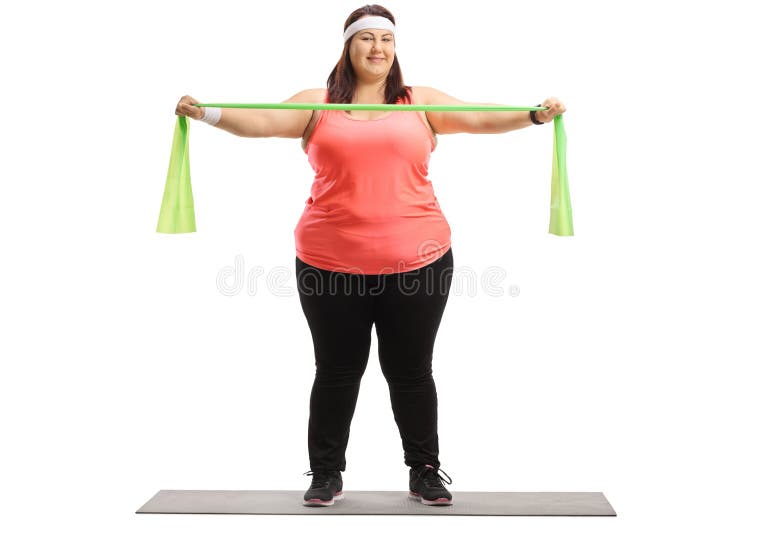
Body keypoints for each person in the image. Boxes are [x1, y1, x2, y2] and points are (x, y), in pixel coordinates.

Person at [175, 4, 566, 508]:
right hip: (327, 264)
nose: (377, 47)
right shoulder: (317, 104)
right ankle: (325, 474)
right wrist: (205, 112)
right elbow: (262, 121)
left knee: (410, 370)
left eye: (386, 38)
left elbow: (478, 117)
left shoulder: (417, 102)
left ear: (395, 48)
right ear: (348, 47)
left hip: (420, 261)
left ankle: (424, 471)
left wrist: (535, 115)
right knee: (336, 370)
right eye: (366, 39)